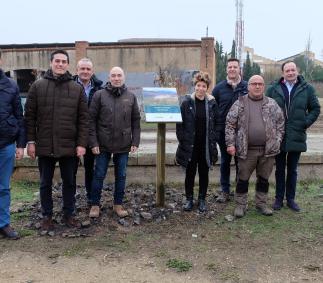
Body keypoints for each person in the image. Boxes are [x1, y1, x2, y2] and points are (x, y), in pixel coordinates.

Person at [25, 49, 89, 230]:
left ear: (68, 65)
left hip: (69, 146)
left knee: (69, 182)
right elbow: (29, 117)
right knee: (45, 183)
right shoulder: (37, 87)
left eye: (63, 61)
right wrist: (31, 142)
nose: (60, 64)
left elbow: (84, 119)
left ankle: (69, 214)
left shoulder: (76, 89)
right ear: (51, 63)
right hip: (45, 146)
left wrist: (81, 144)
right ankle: (47, 216)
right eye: (57, 61)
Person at [226, 75, 285, 218]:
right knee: (243, 179)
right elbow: (230, 124)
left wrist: (277, 141)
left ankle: (261, 204)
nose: (257, 86)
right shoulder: (239, 103)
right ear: (248, 86)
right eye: (254, 84)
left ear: (264, 86)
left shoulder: (272, 104)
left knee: (264, 179)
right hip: (246, 151)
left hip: (268, 151)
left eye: (260, 84)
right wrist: (230, 144)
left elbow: (280, 124)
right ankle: (240, 205)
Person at [266, 61, 320, 211]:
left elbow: (315, 108)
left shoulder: (307, 89)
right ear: (283, 73)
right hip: (279, 136)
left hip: (297, 134)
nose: (290, 73)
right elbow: (265, 109)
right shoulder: (273, 89)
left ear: (297, 71)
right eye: (287, 70)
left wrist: (305, 123)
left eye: (293, 70)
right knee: (279, 169)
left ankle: (290, 199)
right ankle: (278, 199)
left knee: (293, 169)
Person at [88, 66, 141, 218]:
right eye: (113, 76)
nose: (116, 78)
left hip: (123, 144)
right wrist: (93, 143)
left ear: (123, 77)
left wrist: (135, 141)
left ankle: (118, 204)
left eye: (119, 75)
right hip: (102, 145)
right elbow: (91, 120)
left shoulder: (130, 96)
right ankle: (95, 205)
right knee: (98, 175)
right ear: (109, 78)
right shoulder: (99, 95)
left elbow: (136, 121)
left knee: (121, 176)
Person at [176, 71, 219, 212]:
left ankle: (202, 199)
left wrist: (214, 138)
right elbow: (179, 124)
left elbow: (217, 123)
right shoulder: (187, 102)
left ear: (207, 88)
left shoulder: (212, 103)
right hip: (190, 145)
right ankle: (189, 199)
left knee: (204, 173)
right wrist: (182, 139)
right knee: (190, 173)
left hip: (205, 146)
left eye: (204, 86)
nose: (201, 88)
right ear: (195, 86)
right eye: (198, 85)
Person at [212, 58, 248, 203]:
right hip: (223, 134)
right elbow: (213, 111)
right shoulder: (218, 89)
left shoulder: (247, 87)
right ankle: (225, 191)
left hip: (243, 133)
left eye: (235, 67)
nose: (232, 69)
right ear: (226, 69)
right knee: (225, 162)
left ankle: (240, 191)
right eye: (230, 67)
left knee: (241, 163)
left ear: (240, 69)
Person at [0, 50, 25, 239]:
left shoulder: (10, 85)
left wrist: (20, 145)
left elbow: (19, 116)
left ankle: (3, 223)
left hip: (5, 145)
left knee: (3, 187)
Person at [73, 58, 103, 203]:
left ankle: (91, 197)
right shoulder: (69, 86)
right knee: (71, 168)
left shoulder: (99, 88)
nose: (85, 71)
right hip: (72, 134)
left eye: (88, 69)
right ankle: (70, 199)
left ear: (92, 71)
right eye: (82, 69)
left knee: (90, 167)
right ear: (77, 70)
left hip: (91, 134)